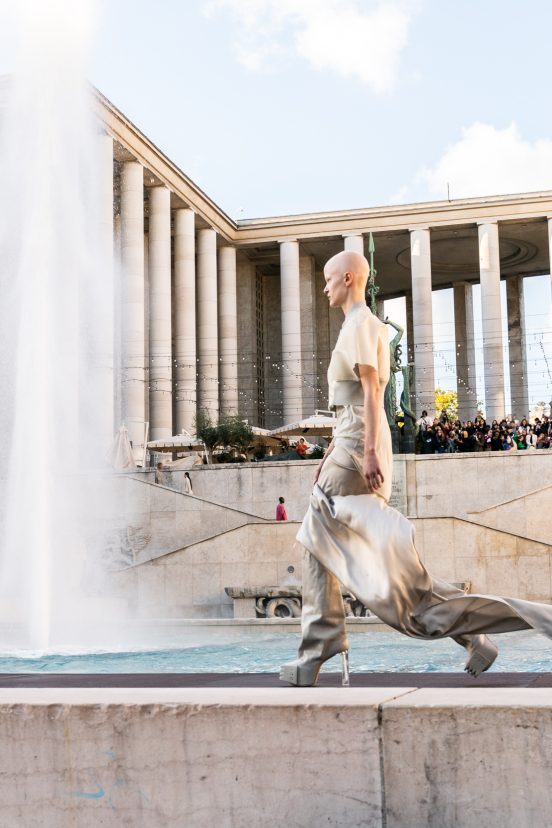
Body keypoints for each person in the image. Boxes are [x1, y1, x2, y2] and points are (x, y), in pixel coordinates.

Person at [280, 250, 552, 688]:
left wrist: (363, 452)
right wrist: (340, 450)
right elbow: (359, 401)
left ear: (349, 279)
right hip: (352, 448)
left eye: (329, 279)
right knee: (398, 581)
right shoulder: (364, 328)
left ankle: (320, 645)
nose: (324, 286)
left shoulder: (359, 326)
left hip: (357, 450)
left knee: (317, 544)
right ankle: (470, 634)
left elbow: (371, 394)